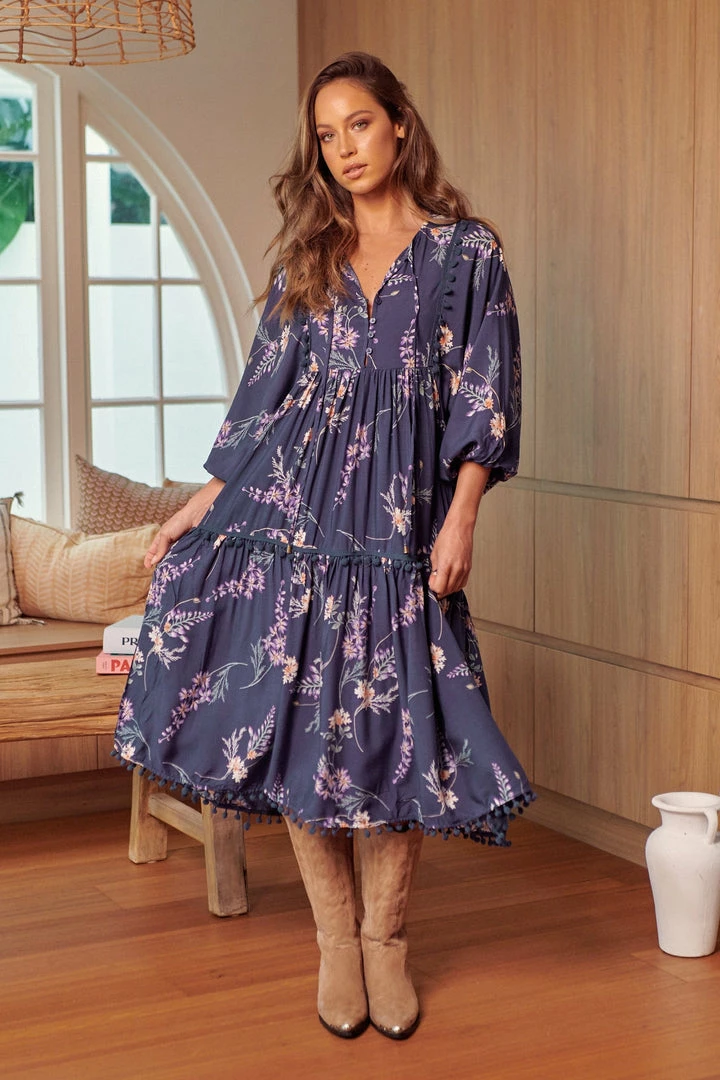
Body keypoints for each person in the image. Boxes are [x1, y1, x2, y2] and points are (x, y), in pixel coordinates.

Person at [114, 51, 534, 1041]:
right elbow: (263, 404)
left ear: (399, 124)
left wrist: (463, 513)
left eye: (359, 124)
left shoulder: (467, 255)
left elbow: (485, 395)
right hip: (291, 528)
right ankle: (336, 943)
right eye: (326, 134)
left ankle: (387, 942)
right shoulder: (309, 259)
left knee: (393, 739)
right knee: (304, 732)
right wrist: (199, 505)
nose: (344, 148)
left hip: (399, 534)